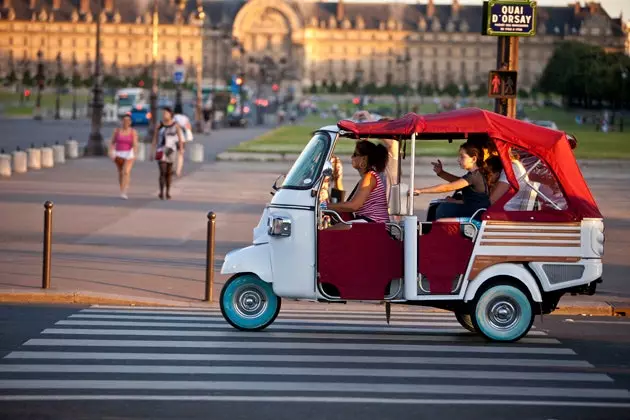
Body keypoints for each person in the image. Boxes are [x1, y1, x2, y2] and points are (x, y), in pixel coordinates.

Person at [414, 142, 490, 220]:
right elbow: (458, 182)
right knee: (437, 206)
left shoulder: (474, 176)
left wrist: (420, 190)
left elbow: (447, 187)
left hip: (475, 216)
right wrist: (441, 173)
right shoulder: (475, 174)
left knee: (444, 209)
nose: (458, 160)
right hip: (473, 212)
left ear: (473, 159)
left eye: (462, 157)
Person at [326, 140, 390, 226]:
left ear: (364, 159)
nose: (352, 157)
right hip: (371, 222)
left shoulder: (369, 177)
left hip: (374, 224)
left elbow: (354, 205)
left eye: (355, 154)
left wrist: (325, 206)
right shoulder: (368, 177)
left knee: (328, 233)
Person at [151, 107, 185, 200]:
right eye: (163, 113)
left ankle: (168, 191)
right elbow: (155, 138)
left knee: (169, 173)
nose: (164, 115)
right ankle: (161, 192)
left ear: (171, 114)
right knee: (162, 171)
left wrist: (181, 149)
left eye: (166, 113)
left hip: (171, 150)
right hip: (161, 150)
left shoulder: (175, 125)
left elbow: (180, 139)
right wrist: (152, 151)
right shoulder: (160, 125)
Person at [108, 114, 138, 199]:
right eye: (124, 120)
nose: (126, 122)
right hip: (118, 154)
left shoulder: (133, 132)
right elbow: (112, 142)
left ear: (130, 122)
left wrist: (135, 153)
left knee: (126, 172)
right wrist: (110, 151)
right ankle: (122, 188)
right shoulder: (117, 131)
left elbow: (135, 144)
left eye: (128, 121)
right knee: (121, 172)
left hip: (129, 154)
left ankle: (125, 191)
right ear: (122, 122)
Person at [173, 111, 193, 177]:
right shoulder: (185, 118)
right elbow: (189, 127)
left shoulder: (173, 117)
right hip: (182, 138)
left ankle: (173, 168)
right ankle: (178, 171)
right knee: (180, 155)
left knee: (173, 154)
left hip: (174, 138)